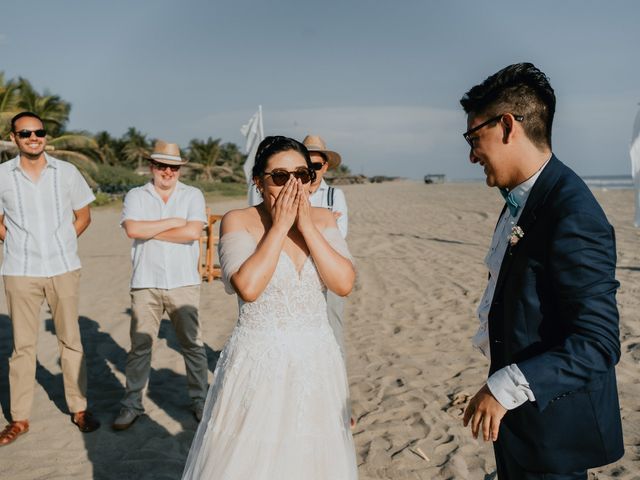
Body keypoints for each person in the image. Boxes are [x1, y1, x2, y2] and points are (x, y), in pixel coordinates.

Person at [459, 63, 624, 479]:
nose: (471, 154)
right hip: (522, 427)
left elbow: (598, 343)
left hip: (552, 434)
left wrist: (503, 387)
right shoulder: (521, 198)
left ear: (508, 126)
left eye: (474, 137)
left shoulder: (572, 212)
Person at [181, 136, 358, 479]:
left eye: (301, 175)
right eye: (279, 176)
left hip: (316, 359)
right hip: (258, 361)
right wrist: (279, 227)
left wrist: (305, 225)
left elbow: (343, 283)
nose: (292, 185)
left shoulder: (323, 220)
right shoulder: (238, 220)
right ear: (258, 181)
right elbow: (248, 287)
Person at [0, 111, 100, 446]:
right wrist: (14, 240)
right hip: (20, 270)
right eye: (25, 133)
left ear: (46, 135)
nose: (33, 137)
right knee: (22, 347)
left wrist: (62, 242)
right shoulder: (1, 176)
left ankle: (79, 408)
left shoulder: (67, 172)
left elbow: (83, 215)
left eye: (38, 131)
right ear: (14, 138)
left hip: (63, 267)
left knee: (71, 341)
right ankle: (19, 419)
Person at [112, 140, 209, 430]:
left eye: (173, 167)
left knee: (192, 344)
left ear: (180, 169)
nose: (168, 172)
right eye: (162, 165)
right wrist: (172, 222)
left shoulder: (193, 194)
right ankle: (132, 403)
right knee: (140, 346)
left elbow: (192, 233)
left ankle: (200, 399)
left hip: (183, 282)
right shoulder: (136, 195)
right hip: (145, 282)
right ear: (152, 166)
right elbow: (132, 229)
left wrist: (150, 230)